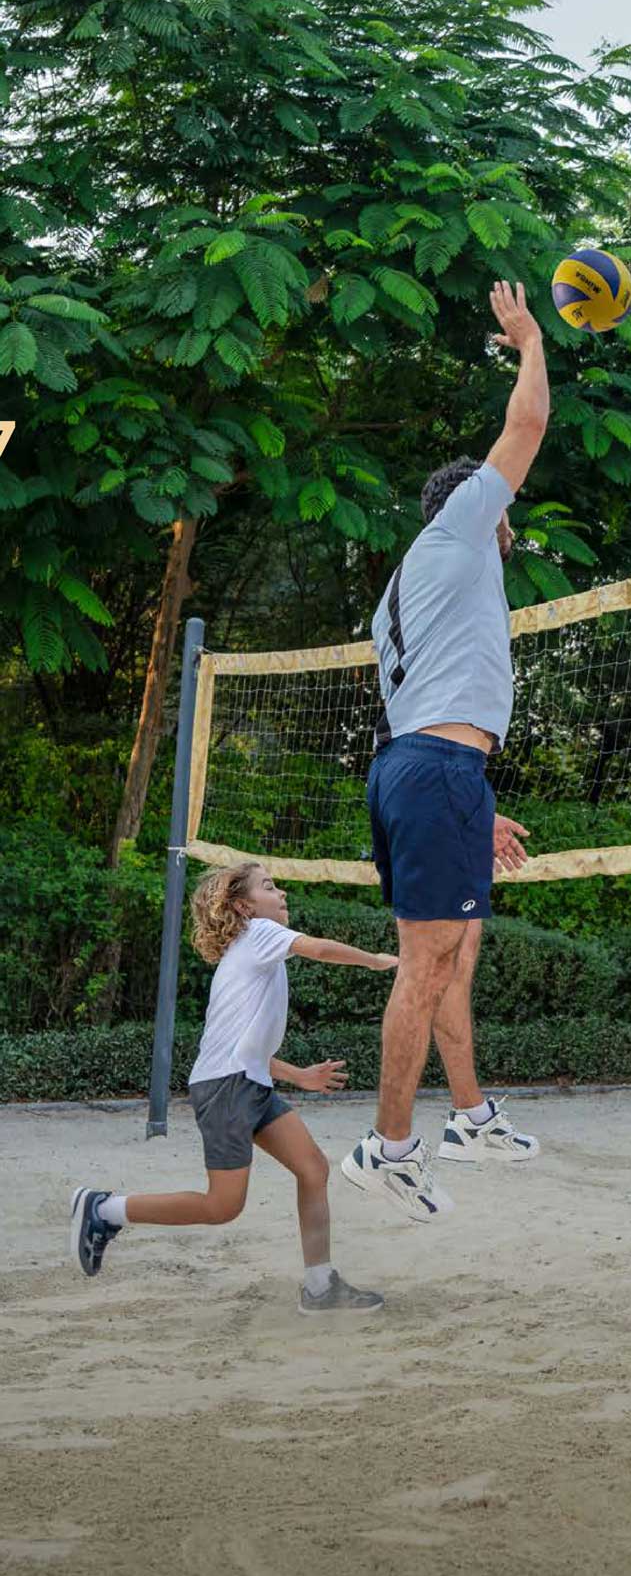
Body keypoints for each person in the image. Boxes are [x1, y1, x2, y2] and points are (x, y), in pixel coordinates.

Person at [341, 281, 546, 1223]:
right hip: (433, 774)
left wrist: (475, 801)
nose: (511, 526)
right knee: (428, 966)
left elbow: (426, 711)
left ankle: (468, 1116)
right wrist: (530, 340)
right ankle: (388, 1148)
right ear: (477, 505)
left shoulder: (403, 588)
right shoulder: (463, 525)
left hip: (424, 770)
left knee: (451, 953)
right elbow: (529, 419)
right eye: (504, 510)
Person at [69, 862, 395, 1313]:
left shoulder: (251, 952)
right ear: (244, 907)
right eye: (268, 886)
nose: (281, 893)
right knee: (223, 1206)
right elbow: (318, 950)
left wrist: (298, 1075)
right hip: (227, 1089)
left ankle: (320, 1286)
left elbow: (244, 1047)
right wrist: (377, 961)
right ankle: (105, 1209)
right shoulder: (259, 934)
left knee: (313, 1168)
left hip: (246, 1082)